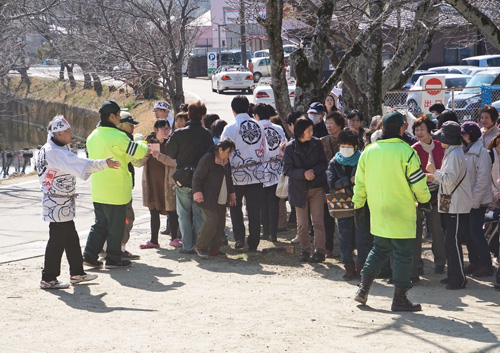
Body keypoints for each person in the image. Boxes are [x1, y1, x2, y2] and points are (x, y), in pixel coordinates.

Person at [353, 110, 431, 311]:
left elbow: (359, 185)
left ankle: (363, 290)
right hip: (402, 211)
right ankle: (399, 299)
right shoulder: (407, 152)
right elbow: (418, 184)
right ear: (402, 128)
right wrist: (424, 201)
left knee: (379, 250)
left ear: (383, 128)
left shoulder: (368, 152)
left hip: (378, 211)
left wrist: (358, 205)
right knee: (404, 254)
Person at [37, 115, 120, 289]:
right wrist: (104, 163)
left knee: (71, 239)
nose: (71, 134)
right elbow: (81, 164)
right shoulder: (56, 152)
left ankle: (77, 273)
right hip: (57, 202)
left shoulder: (48, 148)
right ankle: (48, 278)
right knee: (57, 241)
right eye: (68, 131)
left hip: (59, 202)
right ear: (59, 135)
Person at [83, 101, 150, 269]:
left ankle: (89, 256)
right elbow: (140, 151)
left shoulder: (92, 136)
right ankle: (113, 258)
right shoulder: (118, 136)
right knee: (116, 226)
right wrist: (140, 139)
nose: (120, 118)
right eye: (118, 115)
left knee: (99, 225)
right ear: (111, 116)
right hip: (117, 189)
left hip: (98, 188)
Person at [426, 121, 472, 290]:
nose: (439, 140)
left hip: (456, 204)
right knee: (450, 242)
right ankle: (454, 275)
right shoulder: (452, 151)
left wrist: (433, 172)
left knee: (453, 242)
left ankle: (458, 279)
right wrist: (435, 175)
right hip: (450, 202)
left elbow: (449, 180)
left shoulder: (454, 154)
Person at [221, 95, 269, 252]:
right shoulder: (259, 125)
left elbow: (222, 152)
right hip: (257, 173)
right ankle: (254, 241)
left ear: (233, 110)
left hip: (236, 174)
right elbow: (265, 151)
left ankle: (239, 237)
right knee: (254, 208)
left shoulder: (231, 127)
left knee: (235, 207)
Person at [166, 100, 214, 254]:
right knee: (198, 213)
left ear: (188, 115)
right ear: (202, 116)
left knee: (183, 213)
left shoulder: (179, 133)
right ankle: (198, 243)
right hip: (201, 179)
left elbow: (170, 153)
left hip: (183, 178)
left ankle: (187, 245)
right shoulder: (206, 134)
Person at [327, 128, 371, 279]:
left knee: (362, 237)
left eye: (348, 146)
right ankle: (349, 268)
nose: (345, 149)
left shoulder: (363, 160)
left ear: (356, 147)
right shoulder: (334, 162)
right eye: (342, 146)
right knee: (344, 236)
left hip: (361, 205)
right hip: (343, 207)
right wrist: (350, 181)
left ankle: (361, 269)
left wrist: (343, 188)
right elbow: (332, 184)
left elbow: (366, 183)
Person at [283, 117, 328, 263]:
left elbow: (323, 163)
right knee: (302, 224)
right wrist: (303, 173)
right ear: (300, 132)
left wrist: (313, 171)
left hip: (316, 188)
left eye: (311, 129)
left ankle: (320, 251)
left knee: (318, 222)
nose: (311, 132)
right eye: (308, 130)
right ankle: (305, 250)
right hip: (298, 189)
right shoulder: (290, 147)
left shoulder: (316, 143)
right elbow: (287, 169)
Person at [136, 119, 180, 249]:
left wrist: (159, 156)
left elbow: (176, 162)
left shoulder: (172, 142)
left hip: (168, 181)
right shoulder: (147, 143)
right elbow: (138, 163)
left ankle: (175, 238)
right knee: (153, 210)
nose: (166, 131)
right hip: (152, 181)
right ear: (156, 130)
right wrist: (146, 155)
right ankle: (154, 240)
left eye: (168, 128)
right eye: (163, 128)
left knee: (172, 210)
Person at [411, 115, 446, 276]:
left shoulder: (440, 146)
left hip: (438, 193)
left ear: (429, 131)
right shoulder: (414, 149)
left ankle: (440, 261)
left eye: (422, 129)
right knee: (417, 229)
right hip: (418, 194)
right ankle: (417, 263)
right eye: (416, 130)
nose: (419, 132)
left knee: (437, 228)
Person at [193, 138, 237, 257]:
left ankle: (214, 248)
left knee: (220, 223)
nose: (230, 155)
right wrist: (197, 193)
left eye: (231, 152)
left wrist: (232, 194)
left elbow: (229, 178)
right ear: (220, 149)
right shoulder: (207, 159)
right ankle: (201, 246)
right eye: (228, 152)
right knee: (211, 221)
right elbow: (197, 177)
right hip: (208, 197)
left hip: (222, 196)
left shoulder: (226, 161)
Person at [460, 121, 494, 277]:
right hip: (466, 201)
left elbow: (482, 181)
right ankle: (474, 261)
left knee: (475, 233)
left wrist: (473, 202)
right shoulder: (463, 151)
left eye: (463, 133)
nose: (461, 136)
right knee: (467, 233)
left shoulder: (482, 153)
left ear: (469, 135)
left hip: (477, 202)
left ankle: (486, 264)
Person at [253, 103, 286, 242]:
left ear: (257, 116)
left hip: (260, 169)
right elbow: (285, 145)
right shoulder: (278, 128)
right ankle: (273, 232)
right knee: (274, 202)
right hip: (276, 168)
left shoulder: (256, 127)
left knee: (262, 202)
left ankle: (266, 231)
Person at [116, 112, 141, 260]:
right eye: (130, 124)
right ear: (122, 124)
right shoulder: (125, 139)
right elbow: (137, 160)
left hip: (109, 187)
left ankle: (105, 248)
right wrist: (141, 143)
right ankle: (120, 248)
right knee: (127, 218)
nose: (133, 127)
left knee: (109, 220)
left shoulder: (107, 136)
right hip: (123, 186)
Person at [320, 111, 345, 257]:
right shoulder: (322, 141)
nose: (328, 126)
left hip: (347, 183)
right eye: (327, 123)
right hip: (328, 183)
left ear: (340, 125)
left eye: (331, 123)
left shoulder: (348, 138)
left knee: (347, 217)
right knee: (327, 217)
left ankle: (348, 248)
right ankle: (328, 248)